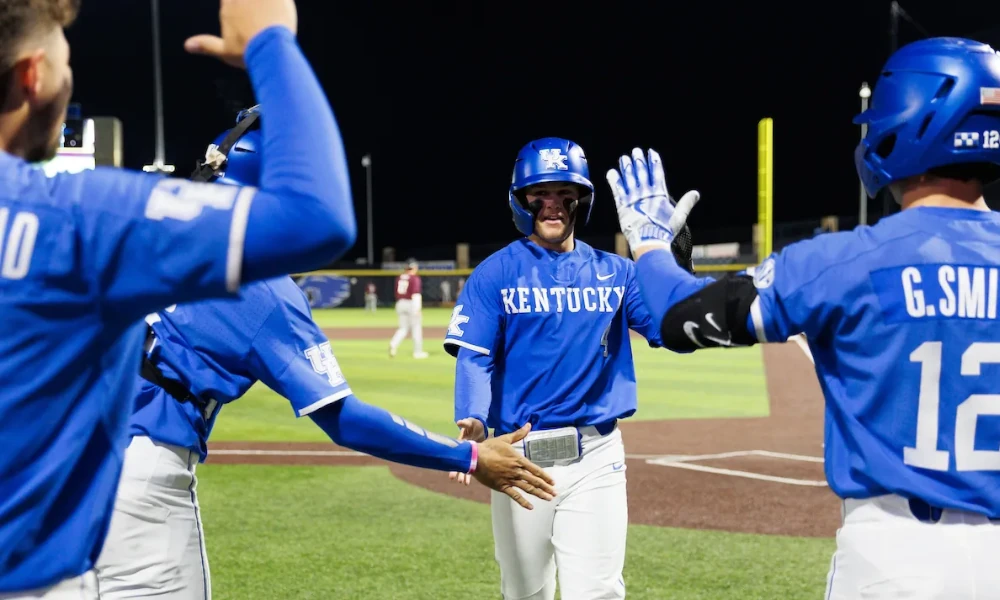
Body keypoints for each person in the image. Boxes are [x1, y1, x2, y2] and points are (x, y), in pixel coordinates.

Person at [92, 116, 556, 600]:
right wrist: (470, 455)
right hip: (137, 473)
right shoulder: (257, 283)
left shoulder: (142, 227)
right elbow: (344, 420)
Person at [606, 37, 1000, 600]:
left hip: (895, 552)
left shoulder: (842, 261)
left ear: (908, 121)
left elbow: (675, 318)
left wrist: (650, 247)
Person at [0, 2, 361, 597]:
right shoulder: (82, 216)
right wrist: (269, 40)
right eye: (67, 62)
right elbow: (315, 218)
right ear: (32, 77)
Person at [443, 137, 691, 600]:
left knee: (596, 593)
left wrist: (672, 264)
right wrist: (475, 417)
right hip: (518, 459)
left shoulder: (617, 272)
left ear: (581, 201)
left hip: (597, 455)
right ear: (522, 202)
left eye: (564, 194)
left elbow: (676, 331)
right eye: (541, 195)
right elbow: (475, 355)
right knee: (525, 593)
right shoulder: (496, 273)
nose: (552, 205)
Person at [389, 258, 428, 358]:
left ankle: (393, 344)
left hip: (400, 303)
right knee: (416, 328)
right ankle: (417, 352)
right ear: (414, 267)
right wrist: (417, 309)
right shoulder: (414, 278)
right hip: (411, 303)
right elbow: (415, 294)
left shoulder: (399, 277)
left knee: (403, 328)